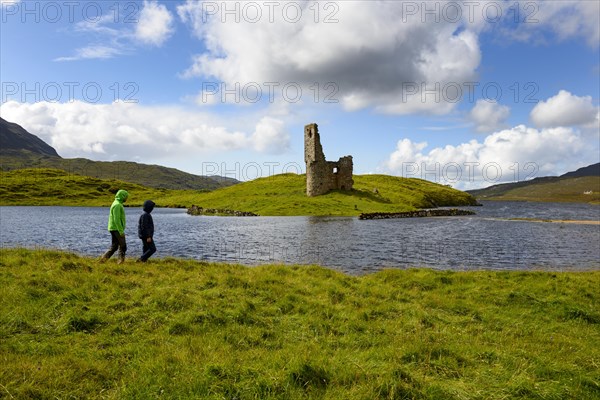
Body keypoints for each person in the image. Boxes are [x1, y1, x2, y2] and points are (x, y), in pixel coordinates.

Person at [100, 189, 129, 264]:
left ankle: (102, 261)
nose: (127, 198)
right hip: (116, 228)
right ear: (122, 196)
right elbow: (116, 219)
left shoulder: (116, 203)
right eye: (126, 197)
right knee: (123, 246)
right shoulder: (117, 205)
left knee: (114, 246)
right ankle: (120, 262)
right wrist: (121, 231)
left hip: (114, 228)